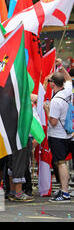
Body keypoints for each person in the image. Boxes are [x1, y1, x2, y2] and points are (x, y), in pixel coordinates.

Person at [43, 66, 72, 202]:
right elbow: (68, 79)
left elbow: (53, 122)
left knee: (61, 163)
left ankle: (65, 192)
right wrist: (62, 69)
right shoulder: (68, 91)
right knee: (62, 163)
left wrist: (47, 109)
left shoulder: (55, 101)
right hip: (68, 134)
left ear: (53, 84)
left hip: (58, 136)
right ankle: (64, 188)